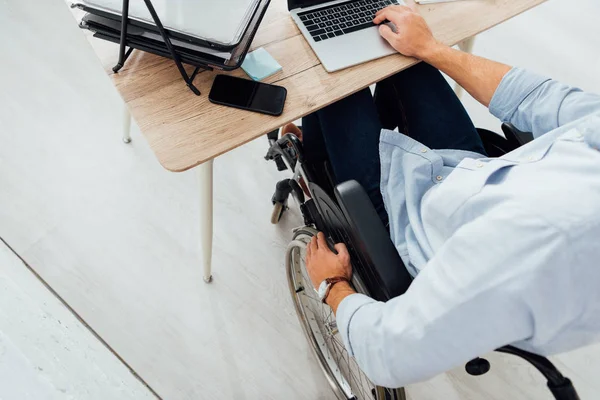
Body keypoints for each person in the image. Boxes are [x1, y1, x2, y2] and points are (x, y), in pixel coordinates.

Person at [301, 4, 600, 389]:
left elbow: (389, 353)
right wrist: (431, 48)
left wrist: (333, 287)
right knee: (374, 25)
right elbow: (540, 99)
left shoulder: (537, 246)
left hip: (402, 219)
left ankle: (314, 150)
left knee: (331, 69)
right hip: (470, 170)